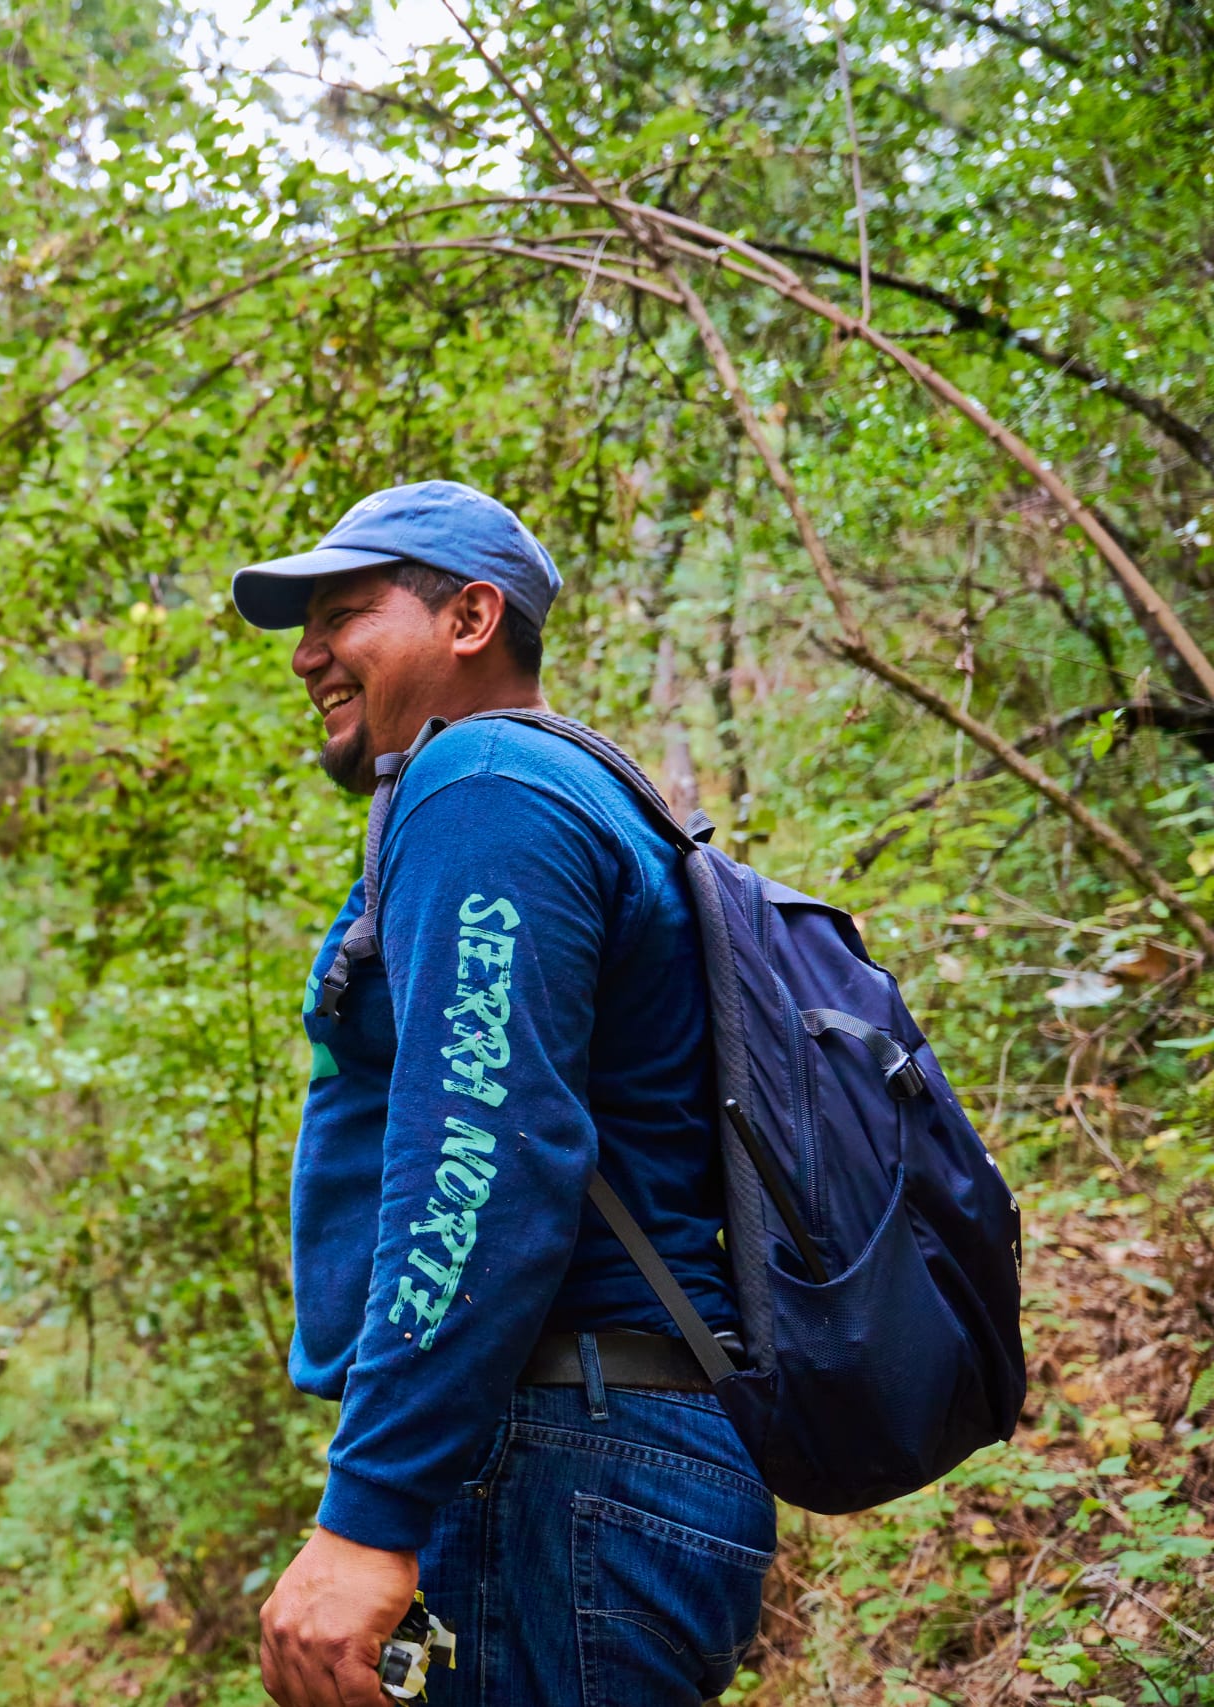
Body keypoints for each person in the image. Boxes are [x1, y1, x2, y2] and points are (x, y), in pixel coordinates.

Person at [233, 482, 774, 1707]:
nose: (309, 653)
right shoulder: (574, 790)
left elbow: (480, 1157)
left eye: (345, 612)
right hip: (599, 1451)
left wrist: (368, 1510)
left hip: (564, 1460)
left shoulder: (482, 787)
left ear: (471, 618)